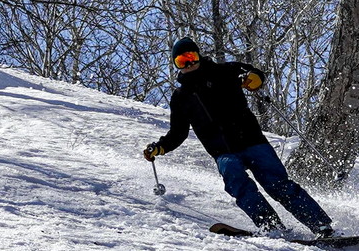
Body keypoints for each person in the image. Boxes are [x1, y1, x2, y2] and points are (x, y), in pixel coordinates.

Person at [143, 37, 335, 237]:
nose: (189, 64)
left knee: (277, 184)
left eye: (191, 57)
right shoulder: (181, 97)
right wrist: (160, 147)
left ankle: (320, 225)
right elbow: (178, 132)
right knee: (237, 182)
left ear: (199, 56)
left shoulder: (224, 71)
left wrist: (254, 78)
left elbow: (253, 73)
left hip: (252, 141)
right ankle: (271, 226)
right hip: (223, 151)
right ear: (176, 65)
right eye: (182, 61)